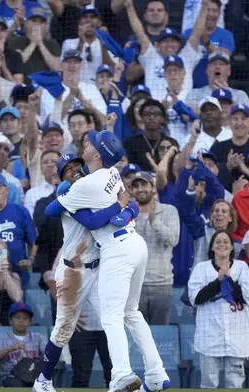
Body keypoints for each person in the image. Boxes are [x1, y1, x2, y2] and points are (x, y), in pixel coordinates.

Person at [45, 131, 170, 392]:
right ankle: (156, 373)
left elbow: (56, 212)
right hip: (135, 244)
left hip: (116, 249)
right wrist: (123, 211)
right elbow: (129, 203)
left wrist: (64, 194)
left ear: (98, 154)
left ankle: (122, 374)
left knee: (111, 317)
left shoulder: (83, 185)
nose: (86, 144)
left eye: (90, 143)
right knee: (131, 313)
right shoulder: (112, 174)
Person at [34, 152, 140, 392]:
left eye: (77, 165)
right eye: (68, 168)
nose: (74, 170)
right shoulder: (69, 195)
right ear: (62, 177)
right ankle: (43, 381)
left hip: (98, 267)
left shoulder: (95, 188)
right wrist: (119, 205)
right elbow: (93, 221)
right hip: (73, 271)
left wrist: (126, 208)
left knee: (112, 319)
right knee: (63, 328)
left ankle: (120, 376)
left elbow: (130, 205)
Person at [187, 229, 249, 389]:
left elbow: (244, 297)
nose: (222, 244)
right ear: (212, 247)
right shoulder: (201, 268)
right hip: (209, 334)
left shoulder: (242, 267)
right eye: (218, 241)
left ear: (232, 247)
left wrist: (228, 279)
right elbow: (196, 298)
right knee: (209, 382)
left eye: (226, 242)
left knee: (235, 382)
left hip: (237, 334)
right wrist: (219, 281)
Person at [131, 171, 180, 325]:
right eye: (136, 186)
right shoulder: (127, 214)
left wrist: (155, 222)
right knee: (137, 338)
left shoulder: (169, 210)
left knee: (160, 338)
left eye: (144, 184)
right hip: (134, 286)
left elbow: (173, 239)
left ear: (153, 187)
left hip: (161, 285)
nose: (140, 189)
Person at [0, 302, 48, 388]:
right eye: (18, 317)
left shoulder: (38, 337)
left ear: (30, 322)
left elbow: (49, 356)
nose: (21, 320)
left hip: (33, 375)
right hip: (11, 376)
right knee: (16, 385)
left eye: (25, 318)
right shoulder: (3, 337)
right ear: (10, 321)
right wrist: (10, 348)